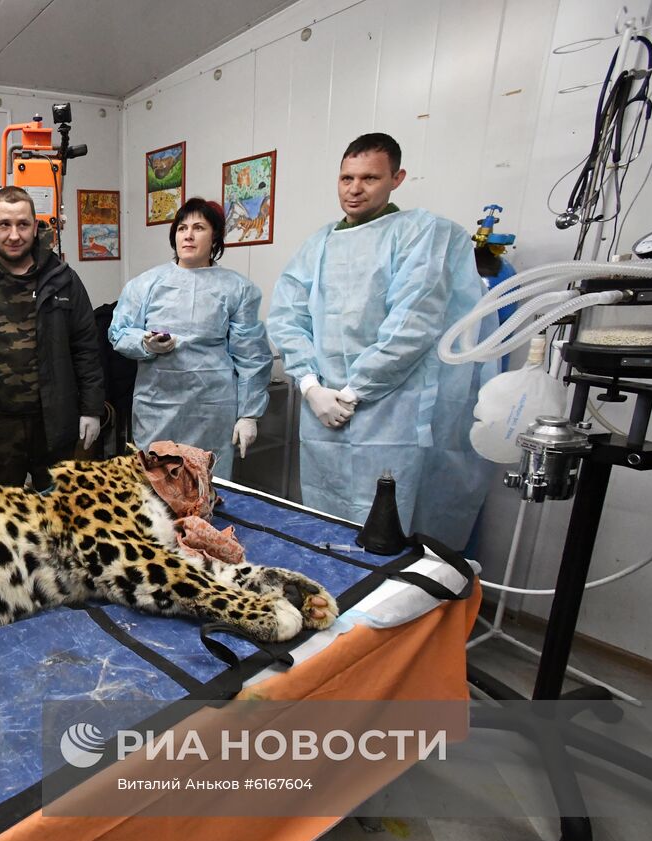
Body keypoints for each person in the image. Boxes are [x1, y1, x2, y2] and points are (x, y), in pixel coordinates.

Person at [267, 132, 492, 548]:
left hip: (390, 411)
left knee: (387, 519)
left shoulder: (420, 234)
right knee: (326, 517)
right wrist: (311, 386)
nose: (354, 189)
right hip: (322, 415)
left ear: (397, 178)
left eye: (369, 178)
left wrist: (354, 391)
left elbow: (413, 324)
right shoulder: (318, 245)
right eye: (346, 178)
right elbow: (287, 316)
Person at [0, 186, 104, 490]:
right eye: (4, 224)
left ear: (35, 225)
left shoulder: (62, 279)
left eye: (23, 224)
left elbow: (86, 348)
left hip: (54, 420)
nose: (14, 235)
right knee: (4, 513)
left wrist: (92, 408)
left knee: (55, 506)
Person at [109, 198, 272, 479]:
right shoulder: (146, 284)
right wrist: (145, 343)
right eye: (182, 227)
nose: (188, 234)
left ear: (216, 236)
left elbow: (251, 355)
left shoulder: (238, 289)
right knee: (156, 488)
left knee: (207, 488)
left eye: (199, 227)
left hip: (211, 409)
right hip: (158, 407)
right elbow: (119, 332)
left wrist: (249, 414)